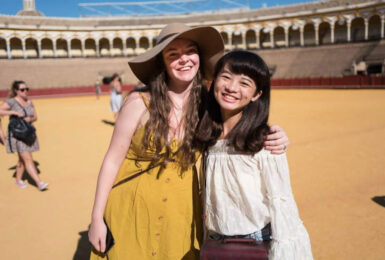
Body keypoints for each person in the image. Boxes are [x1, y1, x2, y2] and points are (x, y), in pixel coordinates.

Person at [88, 23, 289, 260]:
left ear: (199, 57)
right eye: (173, 54)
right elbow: (112, 161)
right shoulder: (138, 102)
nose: (184, 60)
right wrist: (96, 219)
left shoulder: (209, 104)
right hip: (132, 210)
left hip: (181, 214)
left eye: (190, 51)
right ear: (162, 62)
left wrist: (276, 135)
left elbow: (241, 122)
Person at [196, 51, 313, 259]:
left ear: (257, 94)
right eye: (226, 76)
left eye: (244, 83)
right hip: (215, 245)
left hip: (254, 244)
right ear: (214, 81)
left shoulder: (265, 142)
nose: (232, 87)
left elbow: (281, 203)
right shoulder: (207, 136)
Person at [0, 81, 48, 191]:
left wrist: (30, 119)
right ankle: (39, 183)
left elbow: (35, 117)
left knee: (22, 159)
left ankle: (18, 180)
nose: (25, 91)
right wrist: (13, 112)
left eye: (27, 89)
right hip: (17, 135)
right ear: (16, 91)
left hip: (28, 134)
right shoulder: (11, 102)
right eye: (22, 89)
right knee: (28, 159)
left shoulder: (30, 102)